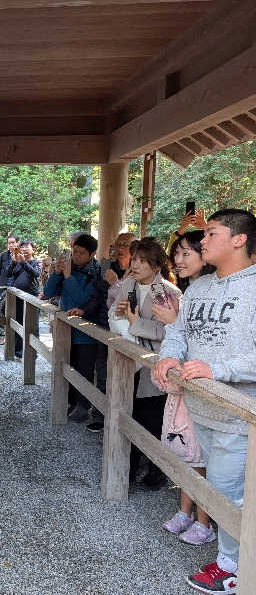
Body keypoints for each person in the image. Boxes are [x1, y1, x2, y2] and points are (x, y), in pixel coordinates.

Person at [154, 209, 256, 594]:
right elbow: (179, 332)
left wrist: (219, 368)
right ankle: (232, 558)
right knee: (216, 488)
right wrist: (168, 356)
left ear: (239, 239)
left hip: (239, 414)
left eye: (212, 233)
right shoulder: (199, 288)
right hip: (200, 409)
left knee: (231, 494)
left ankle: (233, 568)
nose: (203, 240)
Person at [155, 230, 216, 545]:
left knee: (202, 458)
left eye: (185, 253)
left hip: (205, 386)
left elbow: (199, 340)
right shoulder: (191, 289)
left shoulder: (208, 291)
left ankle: (205, 522)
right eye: (175, 254)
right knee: (186, 453)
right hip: (186, 385)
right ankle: (185, 511)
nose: (177, 260)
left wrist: (172, 320)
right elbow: (180, 336)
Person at [108, 237, 181, 490]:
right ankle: (128, 467)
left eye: (142, 261)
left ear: (157, 266)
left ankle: (155, 470)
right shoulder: (129, 283)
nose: (135, 265)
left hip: (153, 365)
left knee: (152, 419)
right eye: (135, 259)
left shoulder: (168, 293)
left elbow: (170, 332)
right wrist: (120, 315)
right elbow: (114, 310)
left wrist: (133, 321)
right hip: (128, 360)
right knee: (130, 412)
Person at [78, 232, 138, 433]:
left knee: (128, 376)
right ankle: (100, 415)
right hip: (106, 328)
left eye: (126, 244)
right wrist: (84, 310)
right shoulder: (107, 269)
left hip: (132, 334)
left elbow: (133, 302)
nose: (121, 248)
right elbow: (97, 296)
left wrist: (117, 283)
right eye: (118, 244)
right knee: (103, 373)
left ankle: (124, 420)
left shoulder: (138, 272)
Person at [45, 233, 101, 423]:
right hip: (65, 329)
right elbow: (48, 292)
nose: (76, 256)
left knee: (84, 369)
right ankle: (68, 401)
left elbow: (84, 300)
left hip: (86, 332)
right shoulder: (69, 267)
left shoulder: (97, 272)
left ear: (92, 254)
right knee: (64, 364)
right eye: (74, 251)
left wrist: (68, 277)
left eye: (81, 253)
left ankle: (83, 405)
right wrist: (57, 274)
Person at [8, 239, 42, 358]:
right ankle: (18, 351)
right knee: (18, 322)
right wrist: (13, 263)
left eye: (28, 247)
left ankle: (33, 352)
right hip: (17, 297)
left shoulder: (36, 262)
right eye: (22, 247)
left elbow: (36, 274)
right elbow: (8, 274)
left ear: (33, 249)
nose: (25, 249)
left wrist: (23, 262)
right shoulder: (17, 262)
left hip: (31, 298)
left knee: (33, 325)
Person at [0, 234, 19, 345]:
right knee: (1, 310)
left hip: (17, 287)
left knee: (16, 311)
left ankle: (15, 335)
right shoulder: (3, 256)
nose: (11, 245)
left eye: (13, 242)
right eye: (9, 243)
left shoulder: (21, 256)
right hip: (3, 286)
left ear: (17, 243)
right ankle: (1, 334)